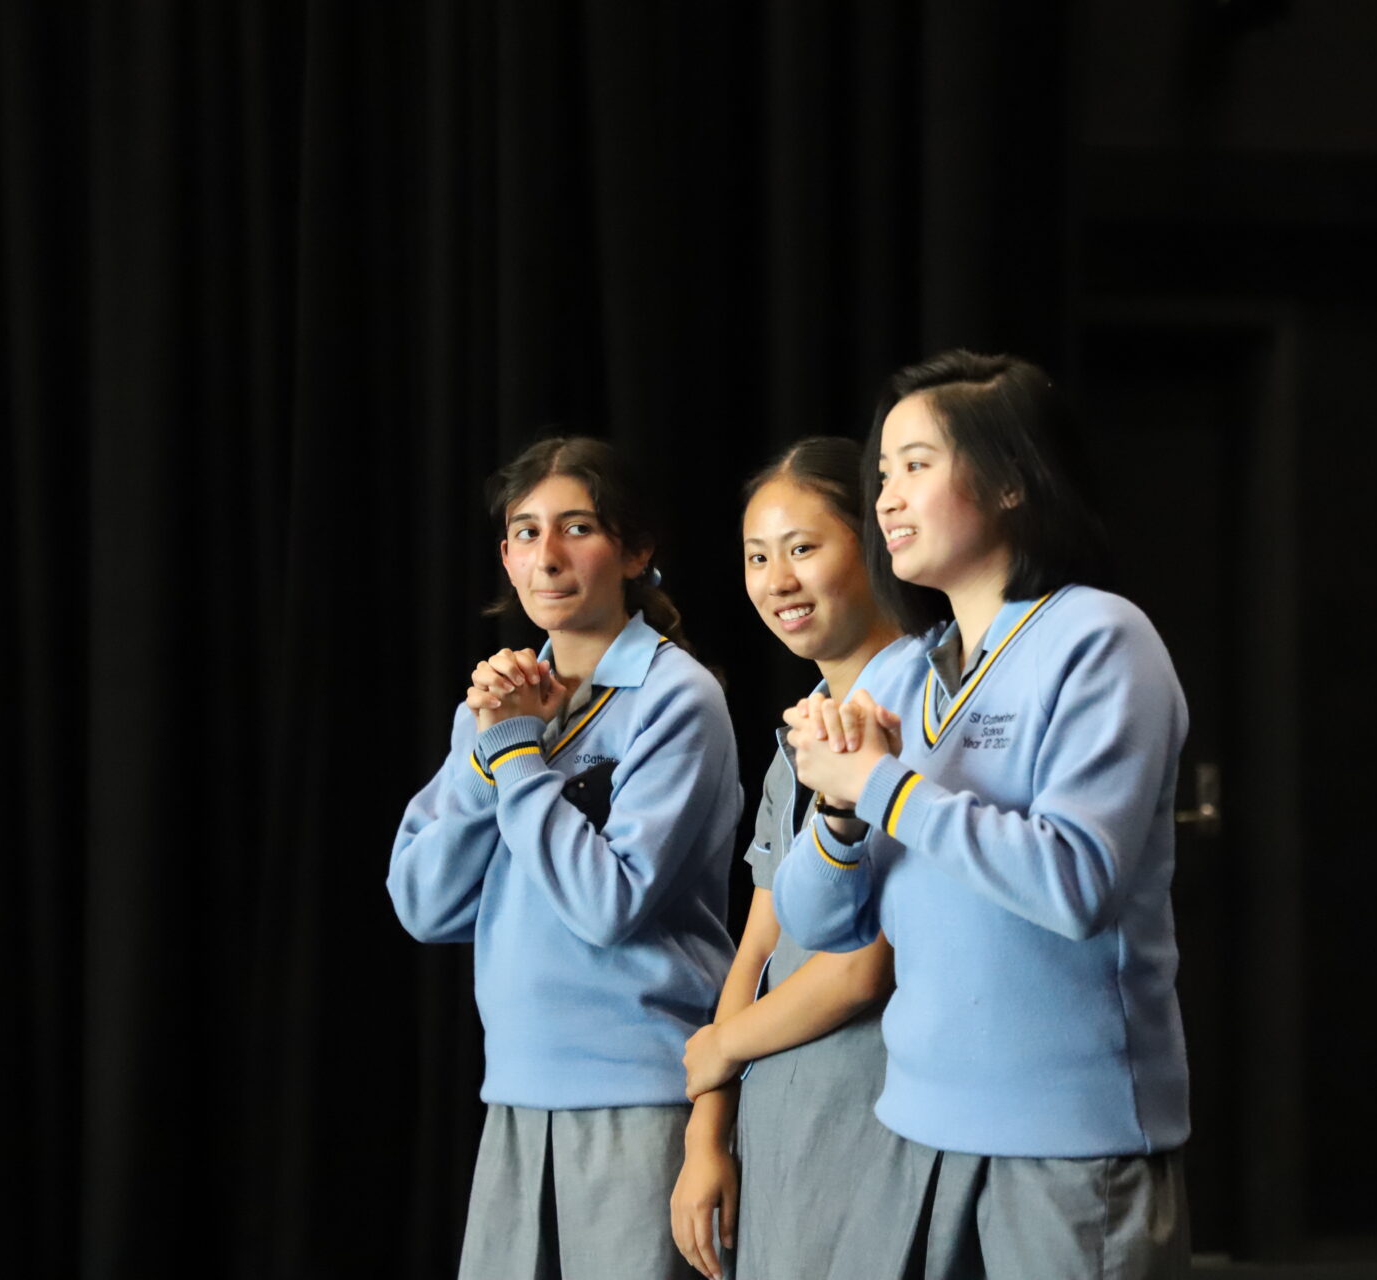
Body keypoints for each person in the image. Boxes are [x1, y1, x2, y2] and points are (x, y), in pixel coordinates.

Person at [772, 352, 1193, 1278]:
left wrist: (881, 786)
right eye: (882, 472)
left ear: (1011, 481)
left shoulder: (1100, 637)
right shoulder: (898, 674)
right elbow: (815, 922)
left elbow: (1074, 883)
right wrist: (839, 811)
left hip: (1068, 1147)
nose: (887, 497)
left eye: (917, 465)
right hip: (913, 1131)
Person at [387, 436, 739, 1280]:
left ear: (635, 551)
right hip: (516, 1092)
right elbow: (425, 905)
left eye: (577, 527)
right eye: (525, 531)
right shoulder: (498, 707)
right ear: (506, 556)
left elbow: (608, 905)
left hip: (642, 1100)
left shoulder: (678, 696)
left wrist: (515, 755)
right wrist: (495, 752)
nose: (547, 556)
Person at [669, 438, 925, 1280]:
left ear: (874, 542)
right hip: (778, 1117)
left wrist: (724, 1045)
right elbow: (759, 941)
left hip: (874, 1113)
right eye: (757, 557)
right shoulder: (801, 734)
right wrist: (707, 1131)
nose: (777, 580)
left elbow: (864, 966)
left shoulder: (922, 710)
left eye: (803, 548)